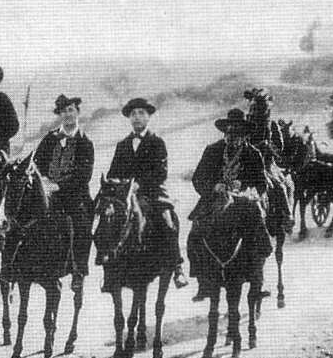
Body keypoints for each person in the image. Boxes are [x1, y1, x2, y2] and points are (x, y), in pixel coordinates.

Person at [186, 109, 273, 300]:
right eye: (229, 131)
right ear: (224, 132)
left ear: (244, 134)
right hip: (214, 198)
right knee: (195, 232)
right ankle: (203, 281)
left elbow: (262, 183)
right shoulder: (212, 150)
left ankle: (257, 278)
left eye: (238, 132)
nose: (233, 136)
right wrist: (213, 186)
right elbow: (197, 178)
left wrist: (244, 185)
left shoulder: (253, 153)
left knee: (257, 229)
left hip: (244, 200)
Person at [105, 97, 187, 288]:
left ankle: (177, 268)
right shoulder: (122, 145)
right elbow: (112, 172)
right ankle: (108, 268)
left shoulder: (157, 142)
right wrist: (119, 183)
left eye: (141, 113)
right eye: (133, 114)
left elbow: (161, 173)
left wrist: (139, 185)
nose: (137, 117)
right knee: (108, 220)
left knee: (168, 221)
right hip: (125, 195)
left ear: (148, 117)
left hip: (152, 193)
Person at [32, 95, 95, 290]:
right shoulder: (49, 139)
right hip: (47, 193)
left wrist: (59, 187)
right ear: (59, 115)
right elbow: (36, 164)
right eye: (64, 111)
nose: (68, 114)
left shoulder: (85, 142)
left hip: (74, 195)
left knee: (81, 226)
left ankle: (78, 271)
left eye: (71, 110)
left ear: (77, 113)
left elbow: (84, 175)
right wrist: (43, 180)